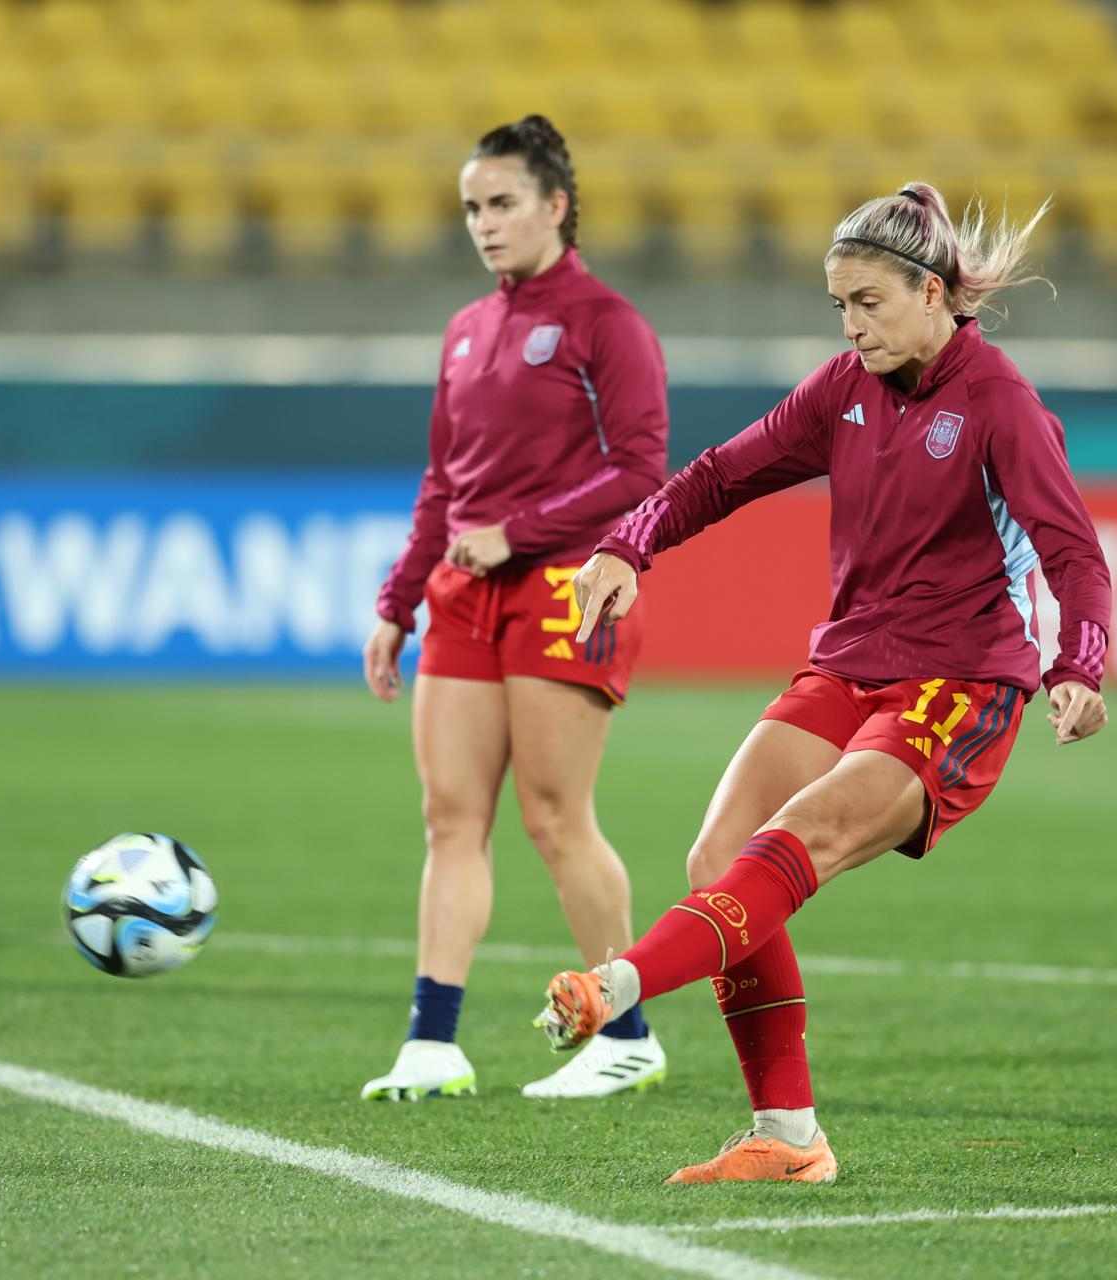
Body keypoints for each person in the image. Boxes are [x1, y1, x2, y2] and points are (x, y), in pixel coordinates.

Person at [534, 183, 1112, 1182]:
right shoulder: (844, 386)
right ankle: (791, 1135)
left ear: (933, 292)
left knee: (793, 843)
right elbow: (721, 473)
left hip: (959, 682)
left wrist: (1082, 662)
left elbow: (1073, 548)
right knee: (718, 851)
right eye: (839, 305)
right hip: (850, 662)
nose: (851, 324)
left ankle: (616, 984)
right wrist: (631, 542)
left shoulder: (998, 402)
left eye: (869, 302)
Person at [359, 115, 671, 1102]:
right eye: (471, 208)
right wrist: (396, 602)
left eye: (502, 204)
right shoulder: (466, 329)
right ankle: (432, 1040)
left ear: (556, 207)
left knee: (552, 813)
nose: (484, 224)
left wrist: (521, 529)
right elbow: (442, 482)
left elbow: (642, 469)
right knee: (449, 816)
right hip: (463, 595)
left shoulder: (605, 324)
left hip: (567, 586)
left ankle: (624, 1029)